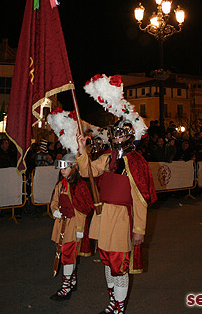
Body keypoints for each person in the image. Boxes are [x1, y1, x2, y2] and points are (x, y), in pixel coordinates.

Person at [76, 119, 158, 314]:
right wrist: (81, 150)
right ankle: (112, 302)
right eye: (114, 133)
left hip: (122, 218)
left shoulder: (137, 162)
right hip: (104, 216)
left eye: (120, 133)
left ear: (129, 136)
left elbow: (140, 200)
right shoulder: (107, 158)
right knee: (106, 260)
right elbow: (87, 171)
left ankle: (119, 308)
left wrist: (139, 229)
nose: (116, 137)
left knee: (118, 264)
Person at [49, 153, 94, 301]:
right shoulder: (60, 184)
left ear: (73, 167)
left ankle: (66, 286)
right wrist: (54, 209)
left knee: (68, 254)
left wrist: (80, 229)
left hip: (74, 224)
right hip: (61, 222)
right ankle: (72, 280)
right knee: (66, 252)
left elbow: (82, 209)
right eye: (61, 168)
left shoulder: (79, 185)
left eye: (65, 167)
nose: (62, 171)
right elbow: (54, 200)